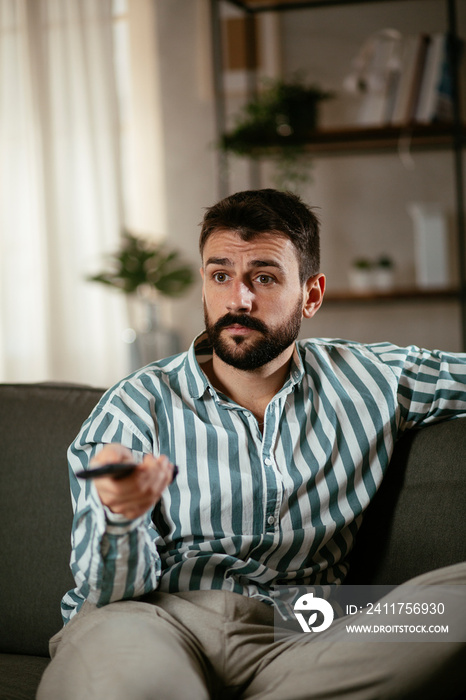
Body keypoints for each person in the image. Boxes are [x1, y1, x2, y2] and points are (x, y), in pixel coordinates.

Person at [38, 189, 466, 699]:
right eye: (220, 276)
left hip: (308, 636)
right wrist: (122, 517)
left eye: (263, 277)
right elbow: (106, 592)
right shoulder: (134, 406)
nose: (237, 299)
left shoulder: (372, 379)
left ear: (311, 294)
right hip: (151, 621)